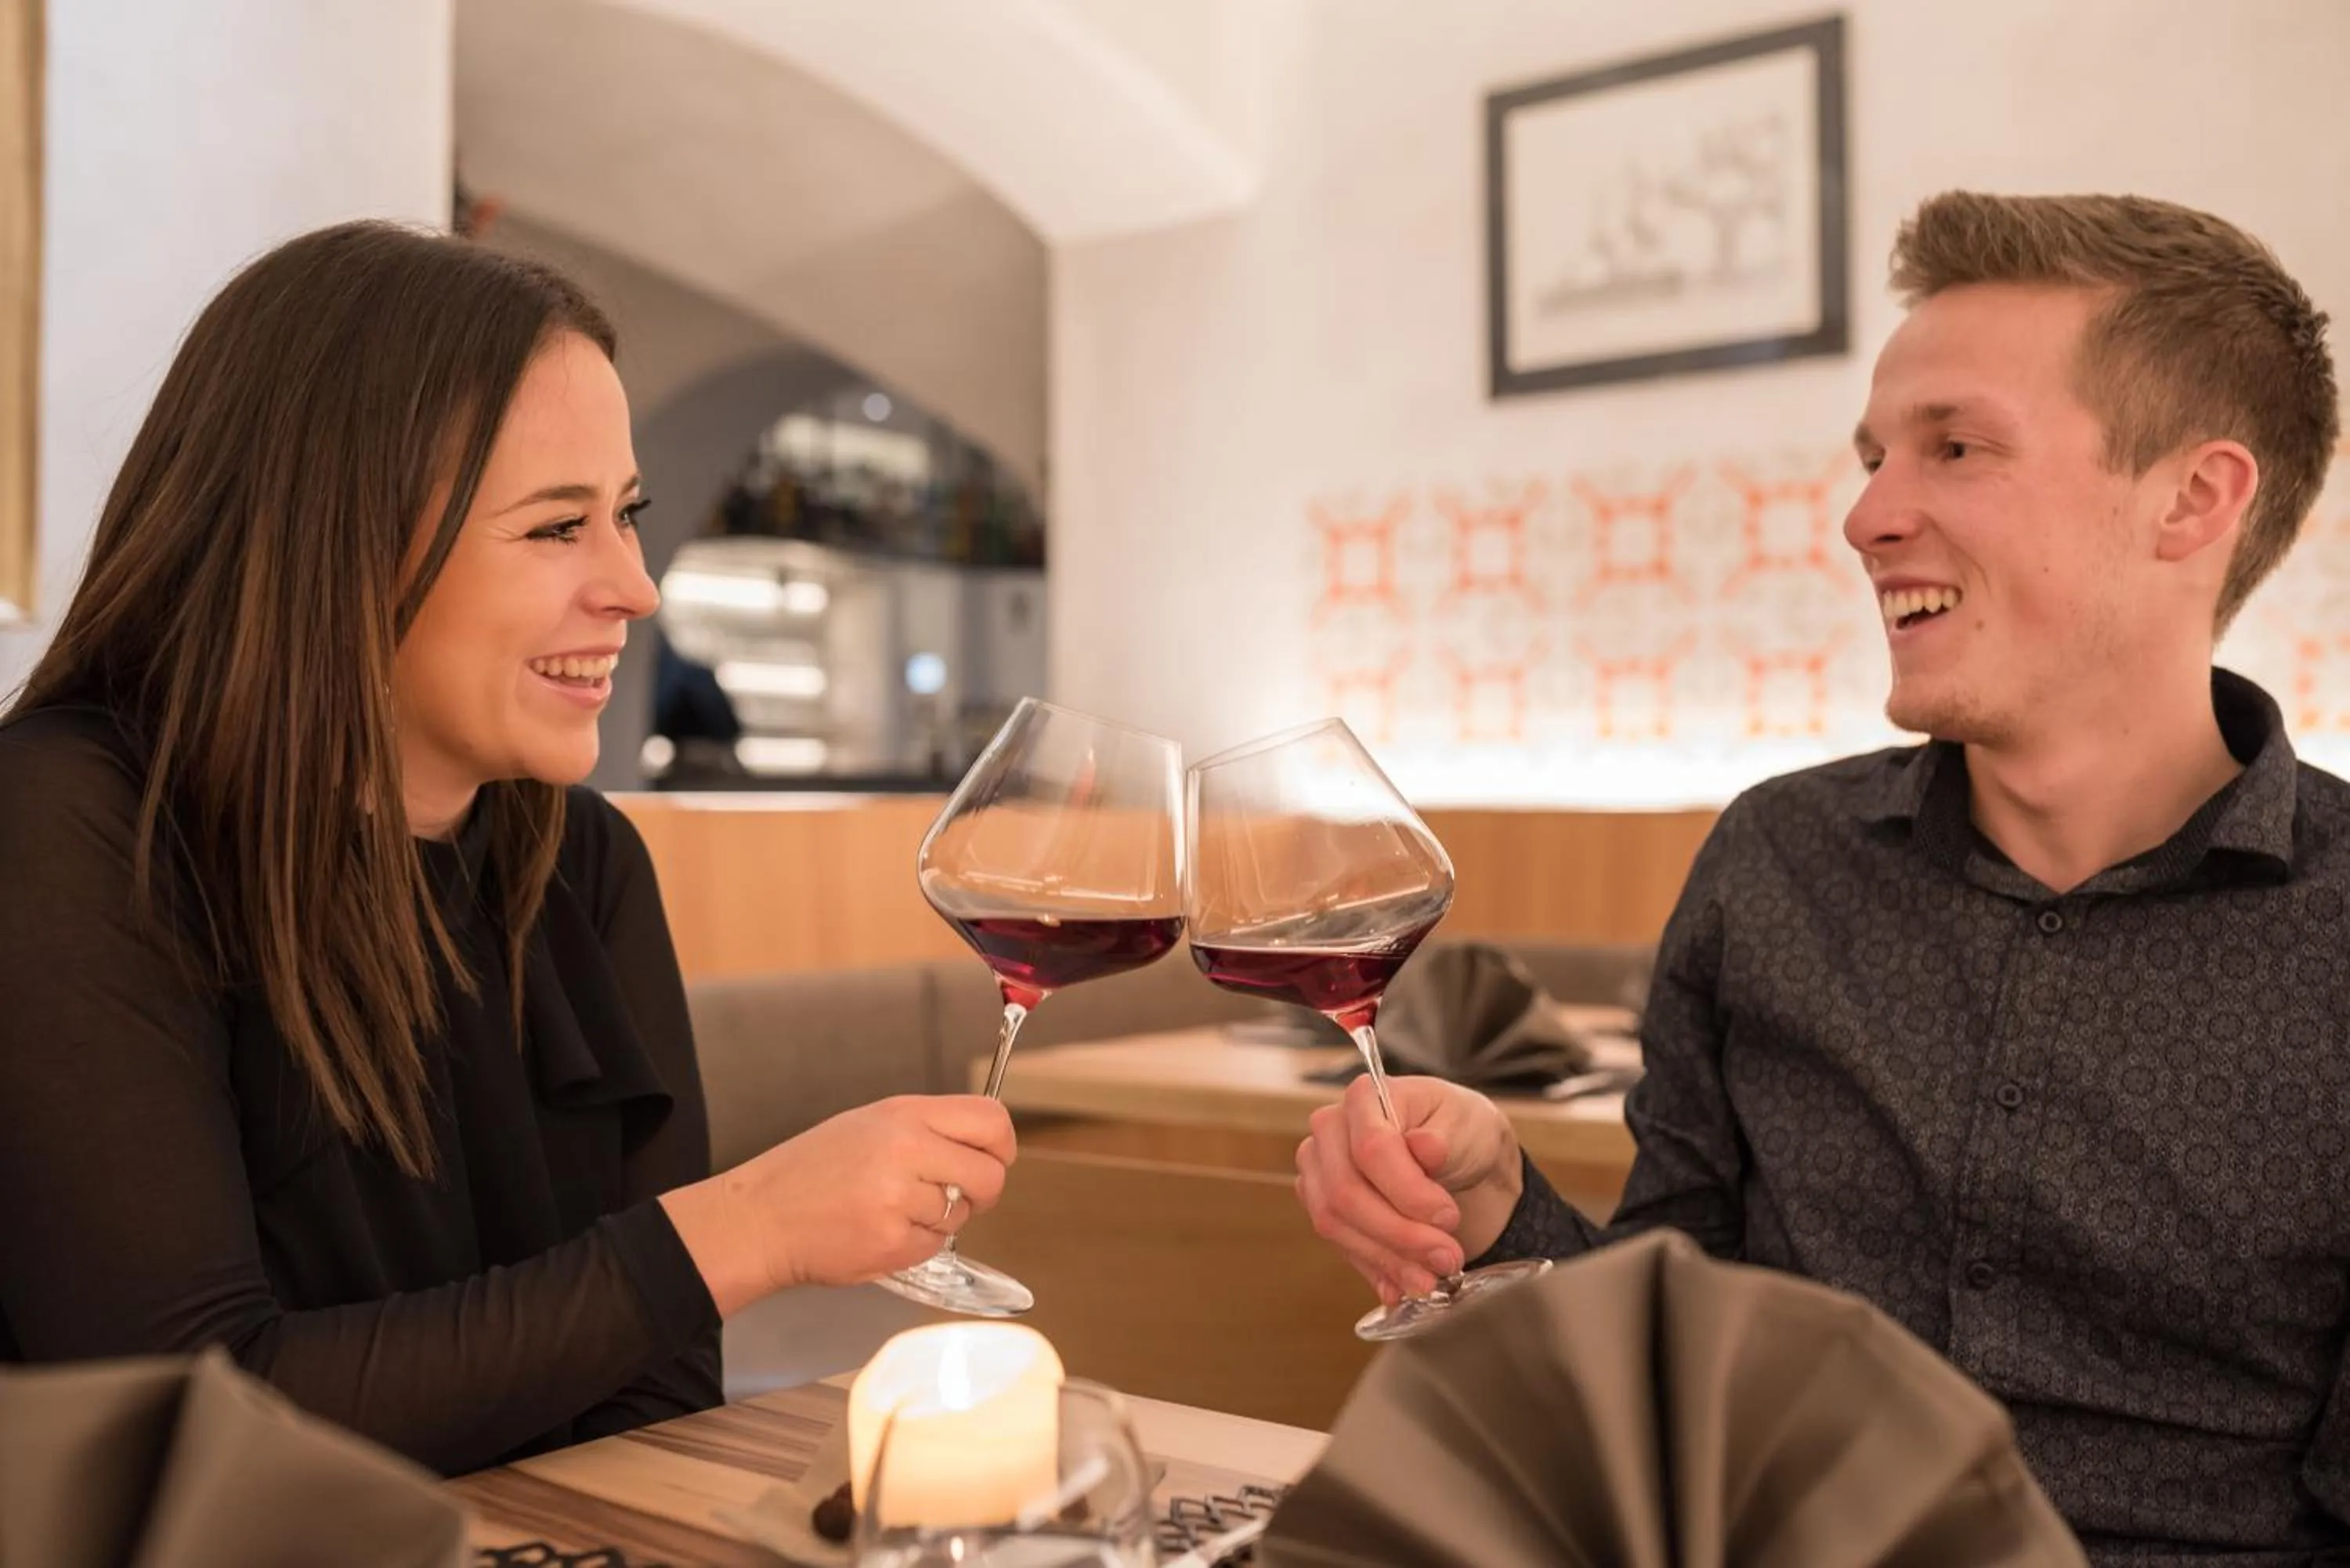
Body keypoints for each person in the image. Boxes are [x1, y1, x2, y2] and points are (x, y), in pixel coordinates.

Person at [1296, 190, 2347, 1563]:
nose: (1866, 515)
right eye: (1874, 456)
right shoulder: (1774, 864)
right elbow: (1670, 1332)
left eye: (1955, 447)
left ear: (2192, 499)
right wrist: (1498, 1210)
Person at [0, 222, 1017, 1476]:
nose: (636, 589)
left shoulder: (581, 866)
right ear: (340, 543)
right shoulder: (77, 825)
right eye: (556, 529)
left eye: (627, 517)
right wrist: (750, 1225)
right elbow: (188, 1422)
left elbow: (651, 1401)